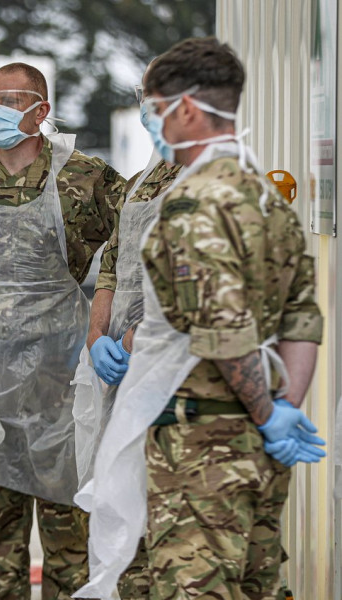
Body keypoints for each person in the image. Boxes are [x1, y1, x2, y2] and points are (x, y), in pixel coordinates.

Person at [75, 37, 325, 600]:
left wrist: (264, 411)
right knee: (258, 583)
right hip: (260, 446)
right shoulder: (265, 196)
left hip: (198, 444)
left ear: (186, 108)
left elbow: (223, 332)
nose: (153, 119)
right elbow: (302, 317)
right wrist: (281, 415)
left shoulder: (192, 205)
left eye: (157, 106)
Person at [0, 61, 125, 599]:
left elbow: (130, 251)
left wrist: (105, 327)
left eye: (12, 99)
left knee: (70, 537)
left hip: (62, 384)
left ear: (42, 110)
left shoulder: (85, 178)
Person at [71, 64, 181, 600]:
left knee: (166, 513)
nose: (147, 107)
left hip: (171, 370)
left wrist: (142, 339)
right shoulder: (143, 180)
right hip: (122, 368)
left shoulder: (207, 180)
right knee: (121, 507)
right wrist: (98, 337)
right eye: (144, 96)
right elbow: (110, 269)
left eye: (156, 97)